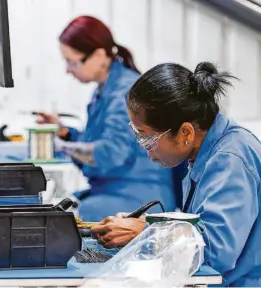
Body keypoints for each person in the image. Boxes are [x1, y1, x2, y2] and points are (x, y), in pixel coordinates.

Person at [91, 62, 261, 286]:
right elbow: (201, 228)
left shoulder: (230, 159)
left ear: (185, 132)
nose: (144, 147)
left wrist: (145, 233)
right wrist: (149, 224)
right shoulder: (208, 152)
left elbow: (215, 251)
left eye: (147, 137)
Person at [35, 16, 176, 222]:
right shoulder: (106, 89)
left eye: (72, 62)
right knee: (59, 213)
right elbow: (97, 141)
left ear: (100, 55)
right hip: (114, 190)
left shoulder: (125, 92)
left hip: (136, 196)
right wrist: (65, 133)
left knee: (61, 223)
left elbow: (111, 152)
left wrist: (60, 147)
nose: (68, 70)